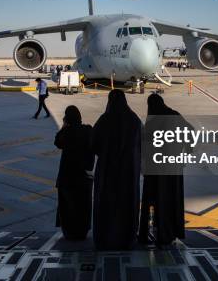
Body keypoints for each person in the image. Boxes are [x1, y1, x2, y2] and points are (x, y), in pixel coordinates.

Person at [91, 89, 142, 250]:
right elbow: (141, 146)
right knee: (127, 204)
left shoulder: (104, 120)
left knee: (106, 205)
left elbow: (93, 144)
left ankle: (106, 239)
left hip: (107, 171)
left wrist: (106, 154)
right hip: (129, 172)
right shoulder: (134, 120)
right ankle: (127, 238)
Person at [138, 94, 187, 246]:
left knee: (152, 201)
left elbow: (145, 147)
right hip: (173, 168)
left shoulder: (152, 121)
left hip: (156, 169)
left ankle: (147, 234)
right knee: (172, 200)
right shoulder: (175, 115)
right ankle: (170, 233)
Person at [54, 106, 95, 240]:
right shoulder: (87, 130)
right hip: (83, 176)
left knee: (67, 206)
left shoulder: (67, 132)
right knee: (83, 206)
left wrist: (65, 126)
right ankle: (82, 231)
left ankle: (70, 233)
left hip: (67, 176)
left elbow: (57, 142)